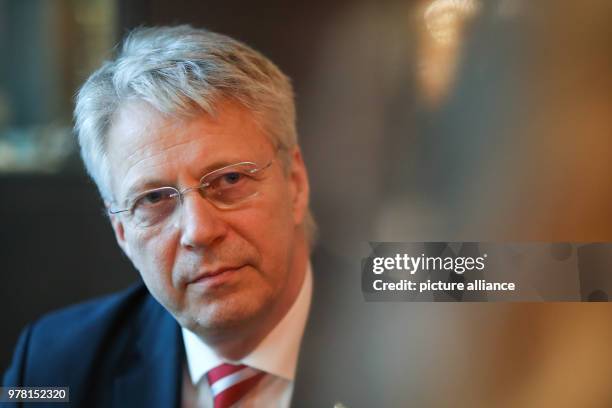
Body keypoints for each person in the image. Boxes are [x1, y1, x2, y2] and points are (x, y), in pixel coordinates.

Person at [2, 25, 379, 408]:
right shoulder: (53, 368)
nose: (199, 231)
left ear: (295, 183)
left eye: (230, 179)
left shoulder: (419, 346)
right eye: (152, 199)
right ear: (121, 232)